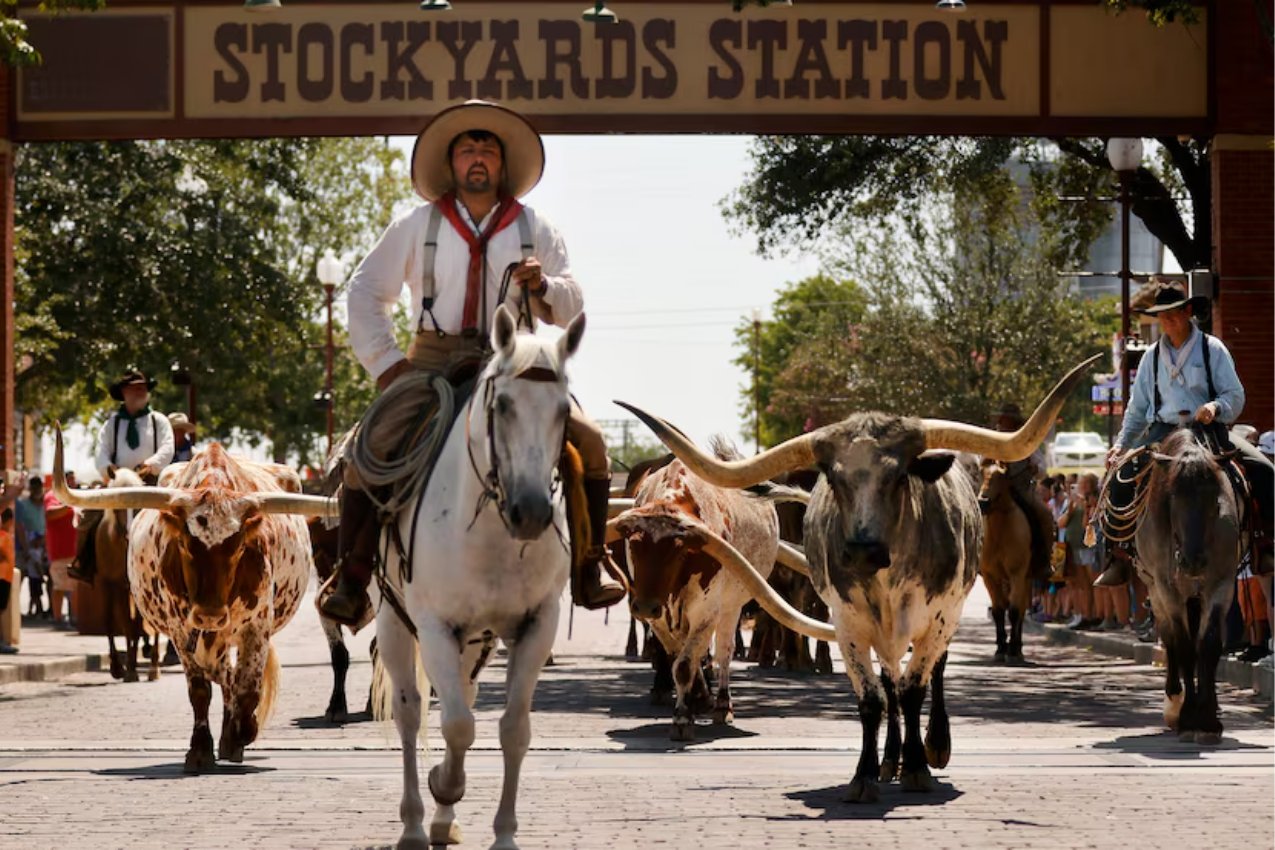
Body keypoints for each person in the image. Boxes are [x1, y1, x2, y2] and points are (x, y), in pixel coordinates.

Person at [320, 99, 625, 627]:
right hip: (433, 358)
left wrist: (544, 285)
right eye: (467, 149)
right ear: (453, 163)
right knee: (368, 446)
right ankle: (352, 575)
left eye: (488, 149)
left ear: (502, 165)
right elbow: (365, 291)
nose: (478, 157)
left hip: (517, 359)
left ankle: (589, 566)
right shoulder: (416, 225)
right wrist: (388, 364)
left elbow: (573, 300)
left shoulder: (536, 226)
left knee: (590, 442)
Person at [1100, 282, 1275, 585]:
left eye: (1173, 314)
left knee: (1264, 469)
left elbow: (1235, 395)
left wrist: (1215, 407)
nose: (1167, 321)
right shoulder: (1151, 357)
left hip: (1208, 429)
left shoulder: (1212, 348)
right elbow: (1137, 408)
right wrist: (1121, 446)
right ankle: (1118, 556)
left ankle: (1265, 544)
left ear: (1188, 311)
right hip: (1162, 431)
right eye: (1162, 316)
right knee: (1118, 478)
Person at [69, 370, 175, 586]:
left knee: (177, 520)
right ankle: (84, 564)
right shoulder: (113, 423)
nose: (141, 391)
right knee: (88, 516)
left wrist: (151, 464)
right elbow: (101, 451)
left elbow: (167, 448)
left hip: (149, 483)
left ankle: (176, 570)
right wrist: (108, 469)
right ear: (124, 393)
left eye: (143, 387)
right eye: (136, 388)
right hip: (117, 483)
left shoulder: (159, 421)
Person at [993, 403, 1055, 583]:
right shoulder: (992, 440)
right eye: (1001, 420)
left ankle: (1044, 560)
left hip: (1022, 489)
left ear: (1015, 423)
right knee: (978, 512)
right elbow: (983, 462)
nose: (1003, 423)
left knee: (1044, 515)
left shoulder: (1027, 440)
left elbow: (1043, 469)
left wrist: (1034, 468)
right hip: (998, 491)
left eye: (1007, 421)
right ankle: (976, 557)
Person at [43, 472, 78, 629]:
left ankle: (75, 618)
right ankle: (57, 619)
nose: (73, 483)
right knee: (59, 586)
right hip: (60, 551)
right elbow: (50, 514)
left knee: (74, 586)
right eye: (70, 479)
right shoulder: (53, 494)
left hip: (74, 550)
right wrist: (69, 504)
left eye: (73, 480)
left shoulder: (75, 496)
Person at [14, 476, 49, 618]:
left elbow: (48, 525)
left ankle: (40, 607)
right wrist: (27, 548)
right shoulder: (22, 505)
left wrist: (43, 542)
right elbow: (20, 527)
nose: (37, 490)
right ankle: (15, 609)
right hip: (25, 546)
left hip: (42, 546)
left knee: (39, 579)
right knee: (20, 577)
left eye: (39, 487)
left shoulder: (46, 504)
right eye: (34, 487)